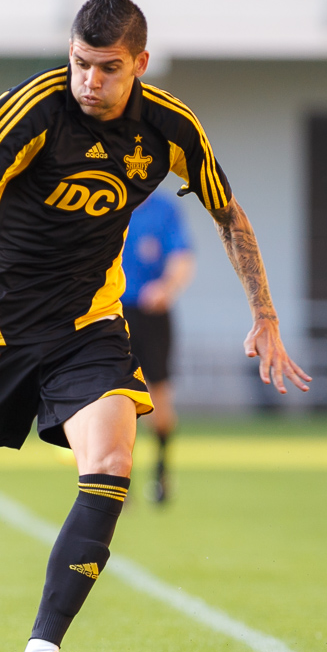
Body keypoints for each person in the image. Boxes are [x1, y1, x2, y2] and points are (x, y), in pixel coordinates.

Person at [0, 0, 311, 652]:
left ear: (140, 63)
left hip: (87, 329)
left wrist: (266, 315)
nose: (89, 80)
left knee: (114, 462)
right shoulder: (32, 110)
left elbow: (227, 212)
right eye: (80, 63)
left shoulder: (170, 128)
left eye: (107, 67)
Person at [121, 190, 195, 505]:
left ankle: (161, 474)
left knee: (159, 399)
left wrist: (167, 287)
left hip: (152, 316)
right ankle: (116, 481)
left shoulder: (164, 209)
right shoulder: (106, 200)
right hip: (112, 314)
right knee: (116, 400)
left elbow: (182, 256)